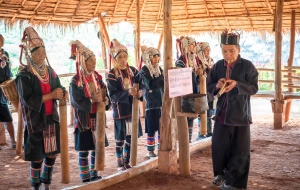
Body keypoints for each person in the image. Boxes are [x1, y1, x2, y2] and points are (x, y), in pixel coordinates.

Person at [15, 27, 68, 190]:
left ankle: (46, 184)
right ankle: (35, 186)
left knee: (51, 152)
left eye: (43, 52)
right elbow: (27, 100)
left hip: (50, 118)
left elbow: (58, 87)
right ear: (29, 55)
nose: (41, 55)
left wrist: (62, 93)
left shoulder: (50, 71)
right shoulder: (24, 75)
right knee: (37, 156)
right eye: (37, 53)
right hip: (36, 121)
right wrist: (52, 95)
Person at [207, 29, 258, 190]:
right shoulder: (217, 67)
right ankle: (222, 175)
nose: (228, 54)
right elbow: (209, 85)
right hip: (221, 115)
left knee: (240, 150)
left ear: (239, 50)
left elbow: (254, 88)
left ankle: (235, 184)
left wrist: (237, 85)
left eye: (231, 51)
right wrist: (217, 85)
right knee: (219, 146)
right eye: (224, 51)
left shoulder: (247, 66)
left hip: (240, 116)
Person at [69, 40, 110, 183]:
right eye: (91, 61)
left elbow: (105, 93)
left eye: (94, 60)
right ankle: (85, 177)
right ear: (83, 62)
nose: (94, 63)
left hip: (97, 117)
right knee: (85, 148)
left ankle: (94, 173)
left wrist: (105, 101)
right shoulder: (75, 81)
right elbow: (75, 101)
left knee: (96, 146)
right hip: (84, 119)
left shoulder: (98, 77)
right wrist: (92, 100)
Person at [107, 39, 143, 171]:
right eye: (120, 57)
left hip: (132, 109)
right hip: (120, 110)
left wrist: (139, 93)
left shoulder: (133, 70)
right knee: (120, 138)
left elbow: (141, 85)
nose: (123, 59)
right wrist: (128, 92)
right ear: (115, 58)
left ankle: (126, 160)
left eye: (125, 56)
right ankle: (119, 162)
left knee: (130, 136)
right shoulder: (112, 74)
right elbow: (112, 95)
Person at [138, 46, 164, 158]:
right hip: (151, 103)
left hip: (160, 102)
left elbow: (160, 83)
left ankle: (160, 148)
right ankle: (150, 151)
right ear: (148, 58)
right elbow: (150, 85)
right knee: (152, 128)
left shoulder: (159, 69)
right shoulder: (144, 70)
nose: (156, 59)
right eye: (154, 56)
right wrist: (161, 79)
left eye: (158, 56)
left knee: (160, 127)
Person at [175, 36, 201, 143]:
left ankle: (188, 141)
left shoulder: (195, 60)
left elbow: (197, 77)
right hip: (184, 93)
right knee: (184, 116)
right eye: (191, 45)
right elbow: (180, 77)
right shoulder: (180, 61)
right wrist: (194, 73)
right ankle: (183, 142)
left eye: (194, 45)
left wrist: (199, 74)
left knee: (191, 117)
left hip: (193, 91)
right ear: (186, 46)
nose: (193, 47)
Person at [0, 34, 16, 150]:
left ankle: (13, 141)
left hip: (3, 89)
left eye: (2, 40)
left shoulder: (5, 53)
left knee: (8, 117)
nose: (2, 41)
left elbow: (8, 68)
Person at [196, 42, 215, 140]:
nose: (208, 52)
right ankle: (201, 132)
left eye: (209, 50)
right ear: (201, 52)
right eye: (206, 50)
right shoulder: (197, 62)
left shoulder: (211, 61)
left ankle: (209, 132)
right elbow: (196, 77)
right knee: (202, 111)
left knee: (210, 112)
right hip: (201, 90)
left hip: (210, 90)